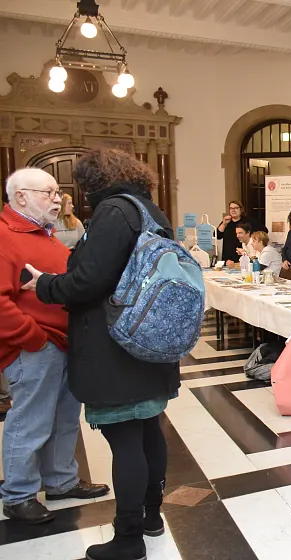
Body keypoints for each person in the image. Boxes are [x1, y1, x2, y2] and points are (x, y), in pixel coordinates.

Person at [24, 149, 180, 560]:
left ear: (94, 182)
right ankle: (151, 517)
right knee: (149, 430)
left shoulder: (113, 212)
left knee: (125, 439)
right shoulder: (150, 211)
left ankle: (128, 539)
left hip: (116, 345)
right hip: (149, 337)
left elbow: (89, 281)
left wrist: (43, 286)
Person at [0, 168, 110, 525]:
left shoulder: (43, 235)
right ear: (20, 197)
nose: (57, 198)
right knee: (30, 422)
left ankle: (61, 481)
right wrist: (33, 338)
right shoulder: (5, 236)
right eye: (47, 192)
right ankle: (18, 495)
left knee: (64, 418)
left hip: (62, 342)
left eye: (57, 192)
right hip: (35, 345)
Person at [215, 200, 266, 264]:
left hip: (243, 254)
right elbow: (217, 236)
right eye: (231, 208)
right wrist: (224, 223)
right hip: (228, 257)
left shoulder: (248, 221)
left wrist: (250, 238)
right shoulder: (227, 222)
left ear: (241, 209)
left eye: (236, 208)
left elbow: (264, 231)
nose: (233, 210)